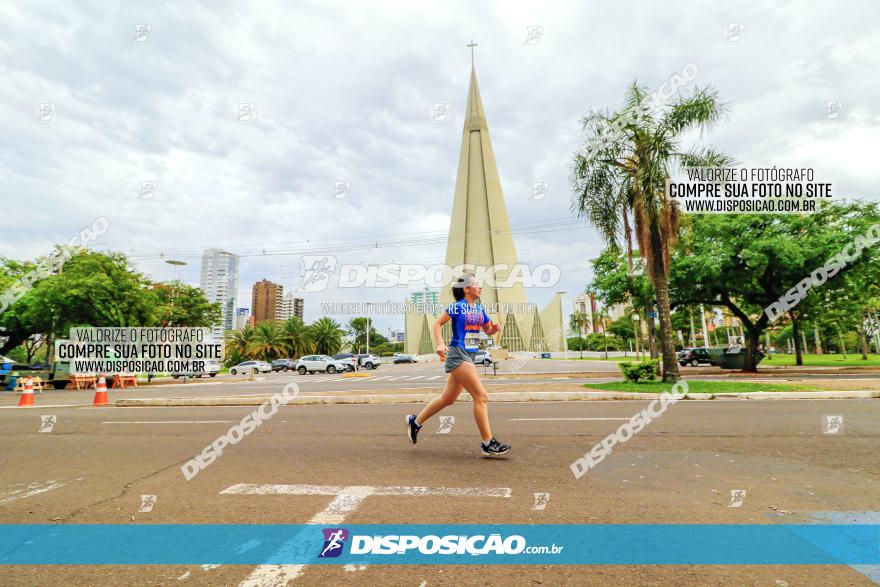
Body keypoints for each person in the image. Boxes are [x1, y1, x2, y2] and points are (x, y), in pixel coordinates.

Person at [405, 273, 511, 457]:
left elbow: (487, 330)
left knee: (448, 399)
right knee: (481, 397)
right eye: (476, 284)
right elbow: (437, 324)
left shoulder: (479, 309)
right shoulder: (458, 306)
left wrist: (493, 329)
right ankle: (488, 443)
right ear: (466, 288)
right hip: (458, 354)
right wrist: (440, 343)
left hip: (469, 355)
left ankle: (415, 422)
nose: (480, 287)